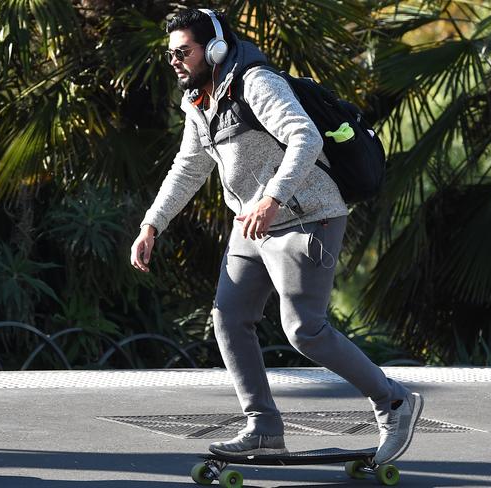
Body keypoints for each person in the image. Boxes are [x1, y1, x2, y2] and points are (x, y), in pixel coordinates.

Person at [129, 8, 423, 465]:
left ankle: (395, 401)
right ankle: (263, 427)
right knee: (229, 317)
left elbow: (305, 136)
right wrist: (152, 224)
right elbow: (188, 167)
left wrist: (273, 198)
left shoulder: (256, 82)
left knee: (305, 329)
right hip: (251, 223)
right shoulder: (198, 99)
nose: (175, 61)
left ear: (215, 48)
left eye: (183, 51)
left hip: (307, 216)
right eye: (171, 54)